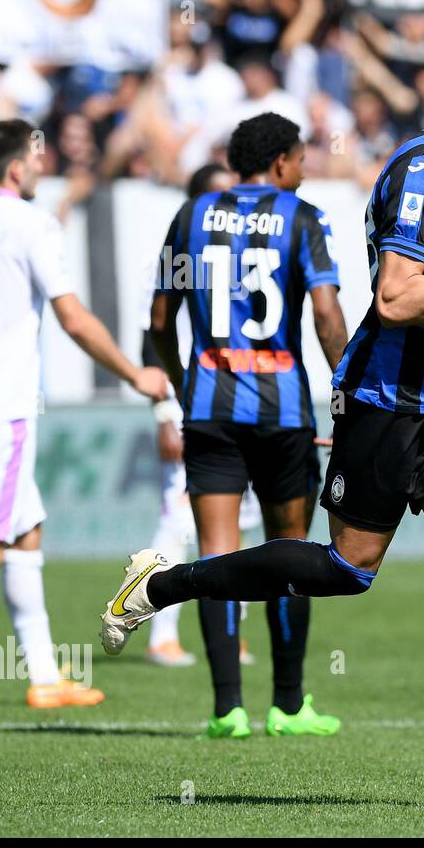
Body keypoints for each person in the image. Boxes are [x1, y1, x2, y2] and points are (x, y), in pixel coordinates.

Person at [100, 22, 424, 803]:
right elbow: (396, 294)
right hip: (385, 402)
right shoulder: (422, 170)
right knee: (346, 570)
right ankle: (165, 584)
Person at [139, 113, 349, 739]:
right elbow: (326, 314)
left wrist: (183, 385)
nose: (305, 170)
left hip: (210, 408)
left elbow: (158, 319)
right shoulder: (301, 216)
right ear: (282, 161)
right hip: (282, 412)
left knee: (216, 554)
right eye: (302, 160)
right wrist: (350, 390)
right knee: (292, 552)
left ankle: (226, 708)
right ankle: (288, 706)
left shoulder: (192, 215)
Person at [0, 118, 168, 707]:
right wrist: (133, 373)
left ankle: (42, 677)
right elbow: (73, 317)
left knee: (24, 530)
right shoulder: (29, 222)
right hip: (5, 403)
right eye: (36, 159)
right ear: (17, 168)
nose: (42, 167)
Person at [140, 162, 265, 668]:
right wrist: (166, 413)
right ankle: (158, 630)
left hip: (244, 411)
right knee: (181, 522)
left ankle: (229, 631)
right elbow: (157, 331)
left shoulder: (247, 255)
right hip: (196, 410)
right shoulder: (183, 253)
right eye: (217, 196)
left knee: (239, 529)